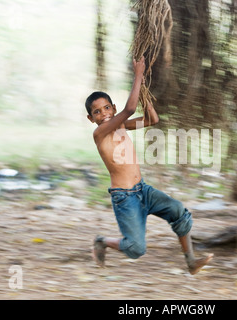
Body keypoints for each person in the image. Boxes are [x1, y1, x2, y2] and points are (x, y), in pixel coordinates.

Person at [85, 56, 213, 275]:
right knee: (136, 249)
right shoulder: (100, 133)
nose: (104, 113)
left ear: (112, 108)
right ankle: (102, 241)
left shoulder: (121, 125)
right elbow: (129, 108)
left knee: (179, 213)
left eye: (107, 107)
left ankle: (191, 261)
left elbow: (152, 119)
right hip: (124, 197)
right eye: (97, 112)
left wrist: (143, 90)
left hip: (142, 190)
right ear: (91, 118)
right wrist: (138, 75)